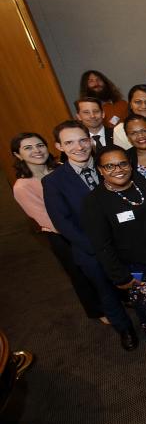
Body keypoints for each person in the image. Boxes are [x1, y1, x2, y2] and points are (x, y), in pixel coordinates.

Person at [82, 146, 146, 355]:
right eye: (109, 166)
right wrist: (120, 276)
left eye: (122, 163)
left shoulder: (139, 181)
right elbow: (102, 245)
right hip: (133, 266)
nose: (117, 169)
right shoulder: (95, 201)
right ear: (100, 170)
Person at [43, 121, 137, 350]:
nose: (79, 147)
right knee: (106, 292)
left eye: (83, 140)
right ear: (59, 146)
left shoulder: (110, 165)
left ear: (91, 140)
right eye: (69, 142)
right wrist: (100, 248)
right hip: (90, 249)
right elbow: (62, 223)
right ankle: (124, 329)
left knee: (137, 281)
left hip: (125, 242)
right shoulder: (53, 181)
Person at [12, 132, 106, 323]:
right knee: (80, 274)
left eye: (40, 145)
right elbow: (47, 218)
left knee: (102, 267)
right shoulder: (22, 186)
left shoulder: (62, 168)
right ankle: (98, 311)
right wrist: (79, 231)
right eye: (28, 148)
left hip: (88, 225)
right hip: (63, 235)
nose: (37, 151)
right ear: (18, 155)